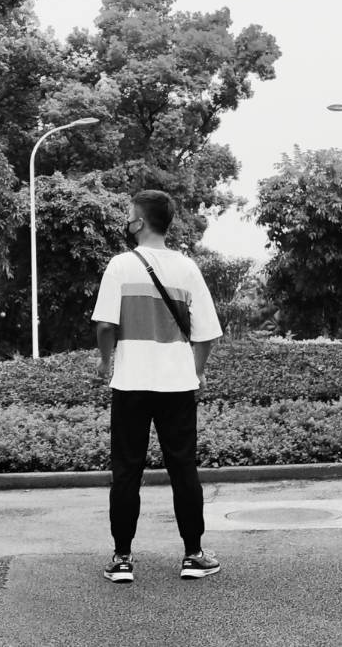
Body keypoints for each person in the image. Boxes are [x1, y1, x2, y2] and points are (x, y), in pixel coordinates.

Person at [91, 189, 222, 583]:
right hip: (176, 386)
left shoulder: (120, 266)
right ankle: (193, 554)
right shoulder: (187, 268)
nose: (127, 220)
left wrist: (105, 362)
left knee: (126, 469)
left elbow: (105, 325)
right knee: (183, 468)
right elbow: (207, 335)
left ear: (141, 222)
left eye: (130, 214)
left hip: (130, 383)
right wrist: (195, 371)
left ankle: (122, 559)